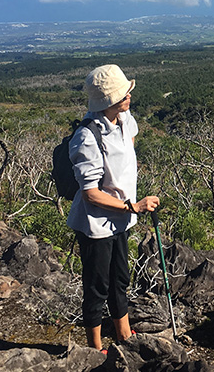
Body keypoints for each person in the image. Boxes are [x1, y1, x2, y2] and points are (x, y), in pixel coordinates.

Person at [67, 64, 160, 352]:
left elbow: (129, 144)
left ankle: (123, 334)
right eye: (122, 95)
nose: (128, 97)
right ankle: (94, 350)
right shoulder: (87, 136)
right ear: (106, 101)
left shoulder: (124, 118)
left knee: (120, 278)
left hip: (120, 220)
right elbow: (91, 193)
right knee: (97, 287)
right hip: (96, 225)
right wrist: (132, 205)